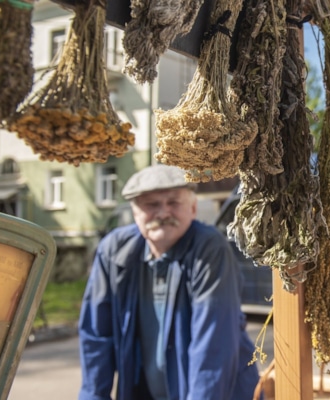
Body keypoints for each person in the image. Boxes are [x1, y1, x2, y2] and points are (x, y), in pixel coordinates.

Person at [78, 164, 260, 400]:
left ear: (193, 208)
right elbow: (96, 336)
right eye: (152, 205)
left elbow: (213, 346)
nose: (163, 213)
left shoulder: (209, 248)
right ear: (135, 214)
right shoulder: (113, 252)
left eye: (174, 203)